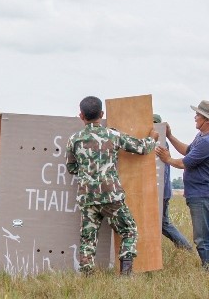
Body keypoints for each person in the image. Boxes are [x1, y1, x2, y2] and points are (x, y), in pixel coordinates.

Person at [66, 96, 158, 275]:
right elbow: (141, 148)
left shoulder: (74, 140)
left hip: (87, 197)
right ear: (101, 114)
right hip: (111, 196)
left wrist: (88, 174)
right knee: (129, 230)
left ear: (81, 115)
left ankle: (86, 275)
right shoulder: (113, 135)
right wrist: (152, 138)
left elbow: (71, 168)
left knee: (88, 238)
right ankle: (125, 273)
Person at [155, 100, 209, 271]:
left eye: (198, 115)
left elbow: (185, 162)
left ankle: (206, 269)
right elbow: (187, 150)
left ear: (206, 120)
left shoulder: (207, 142)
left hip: (201, 194)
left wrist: (167, 159)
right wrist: (170, 135)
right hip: (197, 193)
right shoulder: (200, 137)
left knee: (201, 238)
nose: (195, 117)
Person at [153, 114, 193, 250]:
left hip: (161, 193)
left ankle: (186, 248)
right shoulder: (161, 142)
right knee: (163, 224)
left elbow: (161, 173)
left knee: (164, 224)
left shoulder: (160, 143)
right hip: (163, 192)